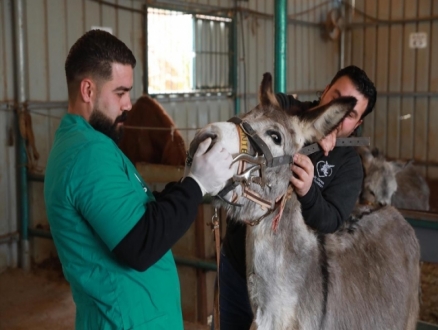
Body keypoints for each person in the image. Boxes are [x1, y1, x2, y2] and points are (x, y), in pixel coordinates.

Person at [44, 29, 234, 330]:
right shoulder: (86, 154)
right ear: (88, 91)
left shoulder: (93, 144)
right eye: (120, 92)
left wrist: (188, 181)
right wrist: (196, 185)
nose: (129, 104)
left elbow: (139, 211)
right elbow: (141, 243)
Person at [217, 65, 377, 329]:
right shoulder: (288, 111)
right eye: (334, 95)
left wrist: (308, 191)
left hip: (289, 285)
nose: (336, 114)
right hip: (238, 264)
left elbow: (332, 220)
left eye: (348, 114)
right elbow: (269, 108)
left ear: (358, 123)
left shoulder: (349, 165)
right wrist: (300, 128)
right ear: (325, 91)